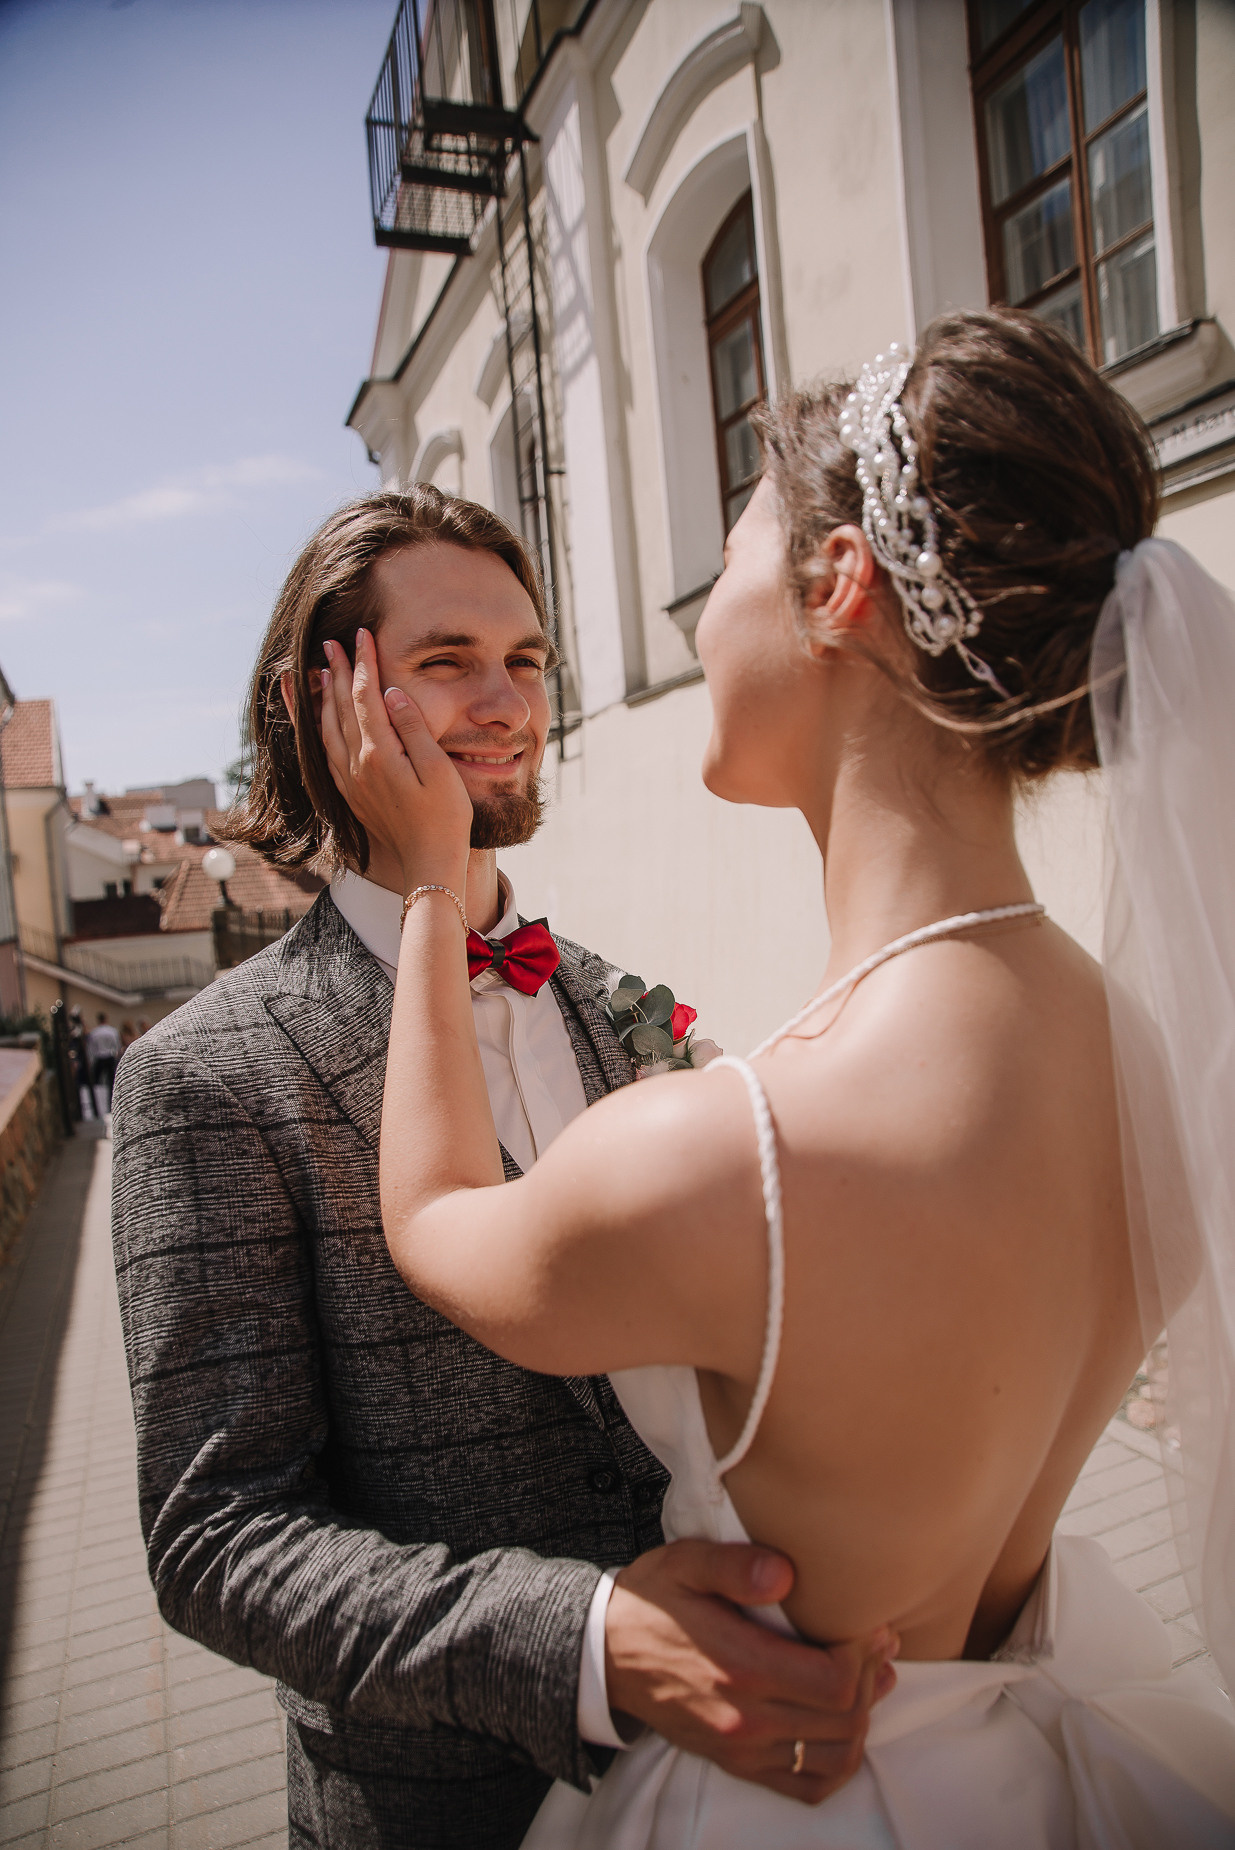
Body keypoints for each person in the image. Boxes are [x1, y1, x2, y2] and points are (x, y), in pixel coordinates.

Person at [323, 310, 1235, 1847]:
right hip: (1052, 1749)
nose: (695, 619)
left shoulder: (736, 1148)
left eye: (732, 548)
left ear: (833, 585)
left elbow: (431, 1220)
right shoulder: (1133, 1045)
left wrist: (427, 879)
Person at [110, 490, 890, 1850]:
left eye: (525, 658)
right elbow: (215, 1540)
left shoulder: (614, 1001)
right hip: (444, 1805)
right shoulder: (204, 1077)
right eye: (442, 660)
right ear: (323, 702)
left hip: (745, 1773)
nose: (504, 700)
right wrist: (588, 1640)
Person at [87, 1009, 120, 1112]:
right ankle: (113, 1102)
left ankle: (98, 1103)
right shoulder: (112, 1031)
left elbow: (91, 1049)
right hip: (110, 1057)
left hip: (99, 1059)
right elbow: (117, 1046)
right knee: (112, 1082)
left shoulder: (94, 1033)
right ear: (106, 1019)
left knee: (97, 1083)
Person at [67, 1004, 94, 1120]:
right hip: (79, 1061)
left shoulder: (78, 1029)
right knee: (80, 1086)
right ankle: (83, 1111)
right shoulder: (75, 1030)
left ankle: (88, 1110)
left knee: (84, 1085)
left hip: (82, 1060)